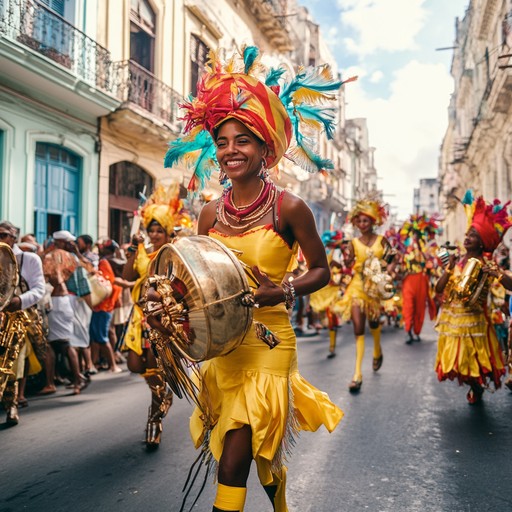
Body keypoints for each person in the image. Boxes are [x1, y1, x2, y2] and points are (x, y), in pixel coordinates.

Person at [164, 46, 346, 512]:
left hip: (268, 345)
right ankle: (280, 497)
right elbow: (195, 275)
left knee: (232, 461)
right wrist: (168, 304)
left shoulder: (290, 208)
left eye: (242, 141)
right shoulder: (208, 213)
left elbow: (321, 270)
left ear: (265, 148)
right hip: (222, 347)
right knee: (246, 451)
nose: (230, 151)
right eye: (222, 142)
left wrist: (284, 289)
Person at [122, 184, 190, 449]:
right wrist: (132, 253)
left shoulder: (175, 253)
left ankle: (155, 419)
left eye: (158, 230)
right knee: (134, 366)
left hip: (161, 319)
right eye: (151, 230)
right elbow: (128, 278)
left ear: (167, 230)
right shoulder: (141, 250)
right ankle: (163, 399)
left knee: (155, 368)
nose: (154, 234)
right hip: (138, 316)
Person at [435, 191, 512, 404]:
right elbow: (438, 289)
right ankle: (474, 386)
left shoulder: (487, 264)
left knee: (475, 363)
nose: (467, 238)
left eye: (473, 235)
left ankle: (477, 386)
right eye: (467, 234)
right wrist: (449, 268)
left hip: (476, 324)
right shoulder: (456, 262)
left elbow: (510, 285)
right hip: (453, 323)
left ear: (481, 243)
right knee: (459, 364)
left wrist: (497, 273)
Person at [333, 193, 395, 393]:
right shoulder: (353, 243)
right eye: (358, 220)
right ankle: (357, 374)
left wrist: (388, 271)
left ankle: (377, 350)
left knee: (374, 324)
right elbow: (349, 264)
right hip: (357, 288)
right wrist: (347, 259)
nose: (362, 223)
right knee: (358, 328)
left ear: (372, 221)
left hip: (375, 290)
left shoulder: (382, 240)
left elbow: (392, 259)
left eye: (365, 220)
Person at [0, 221, 46, 425]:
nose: (1, 239)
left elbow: (39, 289)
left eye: (3, 235)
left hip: (17, 319)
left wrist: (20, 301)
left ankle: (12, 405)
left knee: (12, 362)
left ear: (14, 237)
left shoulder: (30, 259)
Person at [399, 214, 439, 344]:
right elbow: (401, 261)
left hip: (422, 279)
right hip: (409, 279)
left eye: (418, 233)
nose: (415, 235)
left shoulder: (426, 246)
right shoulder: (405, 246)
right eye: (413, 232)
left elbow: (432, 261)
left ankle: (416, 331)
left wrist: (425, 253)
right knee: (408, 306)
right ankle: (408, 330)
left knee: (420, 307)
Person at [309, 231, 346, 358]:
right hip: (322, 290)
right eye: (329, 244)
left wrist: (338, 274)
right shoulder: (321, 253)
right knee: (321, 313)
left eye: (332, 244)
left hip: (332, 290)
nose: (330, 246)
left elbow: (342, 268)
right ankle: (329, 337)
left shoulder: (339, 253)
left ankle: (332, 346)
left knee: (331, 317)